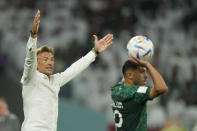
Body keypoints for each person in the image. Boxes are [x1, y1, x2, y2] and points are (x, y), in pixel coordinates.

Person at [20, 10, 113, 131]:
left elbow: (74, 69)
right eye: (45, 59)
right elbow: (29, 59)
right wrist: (33, 36)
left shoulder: (55, 80)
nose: (50, 62)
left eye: (52, 59)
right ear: (37, 65)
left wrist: (94, 52)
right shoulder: (30, 78)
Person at [111, 57, 168, 131]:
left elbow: (125, 78)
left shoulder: (115, 89)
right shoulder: (136, 93)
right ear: (130, 75)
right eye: (142, 72)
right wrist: (148, 65)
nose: (146, 75)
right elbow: (162, 88)